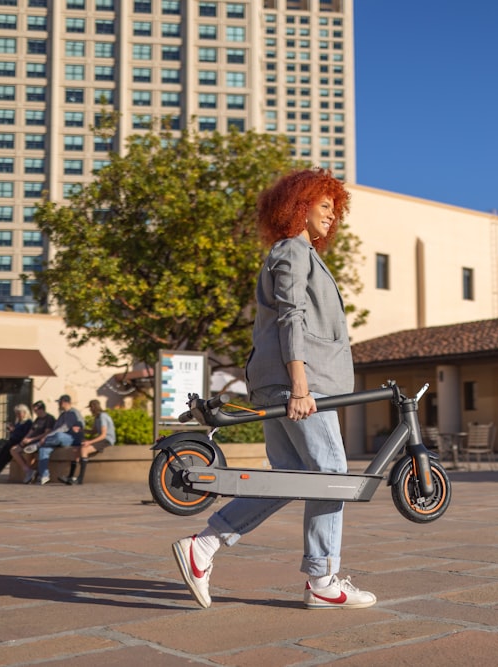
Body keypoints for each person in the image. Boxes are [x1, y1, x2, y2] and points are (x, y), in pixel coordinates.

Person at [171, 169, 375, 610]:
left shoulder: (296, 254)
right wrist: (301, 385)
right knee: (331, 475)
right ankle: (323, 581)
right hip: (297, 385)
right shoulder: (292, 251)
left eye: (335, 209)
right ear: (298, 207)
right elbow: (291, 316)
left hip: (281, 382)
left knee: (292, 478)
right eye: (325, 207)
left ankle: (203, 547)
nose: (332, 217)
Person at [58, 399, 115, 485]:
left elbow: (103, 435)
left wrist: (89, 442)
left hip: (107, 440)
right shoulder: (97, 417)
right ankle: (70, 476)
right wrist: (81, 430)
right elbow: (94, 431)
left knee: (84, 449)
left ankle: (80, 479)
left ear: (93, 407)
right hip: (102, 439)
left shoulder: (103, 416)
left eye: (90, 408)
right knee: (76, 450)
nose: (90, 410)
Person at [34, 395, 83, 485]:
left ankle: (37, 445)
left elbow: (64, 428)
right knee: (43, 449)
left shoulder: (73, 413)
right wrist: (48, 436)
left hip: (71, 438)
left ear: (64, 402)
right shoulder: (62, 414)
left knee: (59, 436)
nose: (59, 405)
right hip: (57, 440)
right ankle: (44, 475)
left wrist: (46, 437)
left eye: (60, 402)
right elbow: (55, 428)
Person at [15, 401, 55, 483]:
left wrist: (32, 440)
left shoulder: (49, 418)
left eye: (36, 410)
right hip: (31, 441)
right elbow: (31, 431)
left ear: (42, 409)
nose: (35, 412)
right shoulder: (37, 419)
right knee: (14, 450)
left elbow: (47, 433)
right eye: (34, 410)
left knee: (28, 452)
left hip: (38, 442)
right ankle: (28, 470)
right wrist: (25, 439)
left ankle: (31, 473)